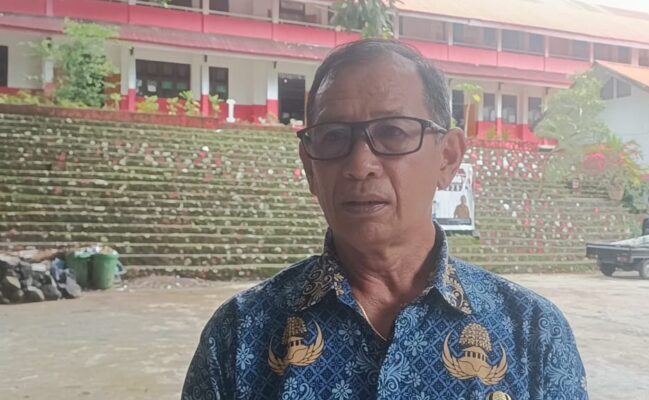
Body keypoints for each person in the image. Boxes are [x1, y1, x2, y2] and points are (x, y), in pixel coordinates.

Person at [182, 39, 588, 399]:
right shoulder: (238, 337)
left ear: (447, 157)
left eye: (393, 132)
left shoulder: (533, 334)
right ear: (309, 168)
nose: (360, 166)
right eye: (334, 136)